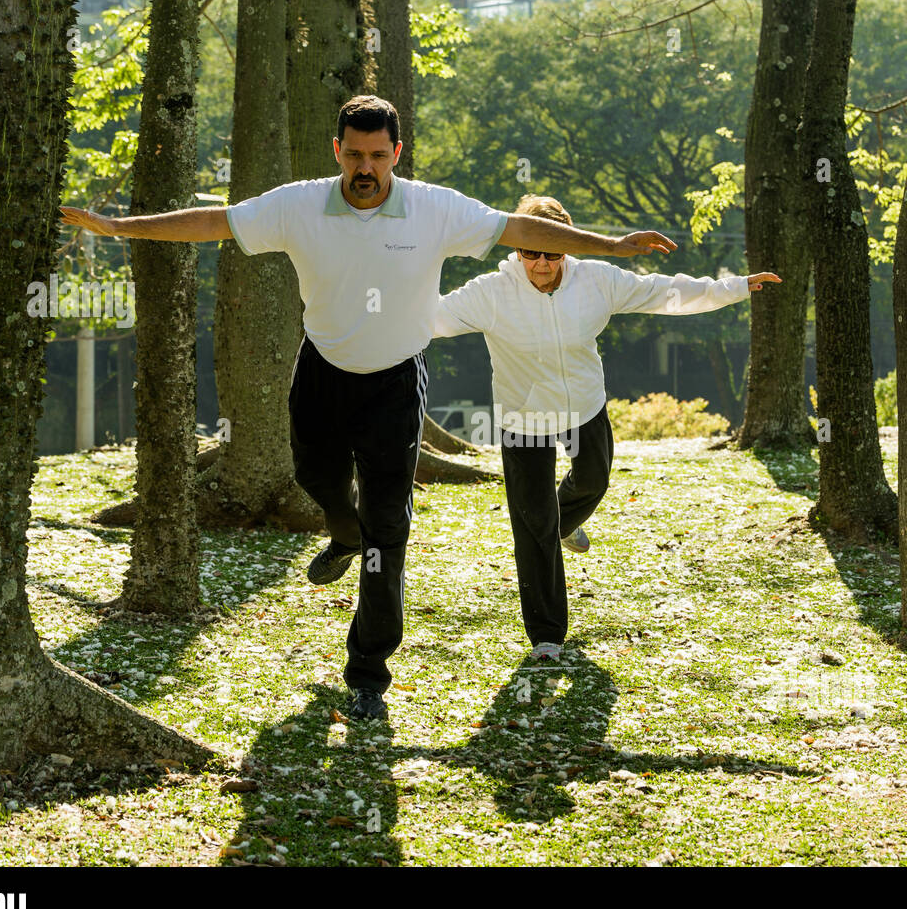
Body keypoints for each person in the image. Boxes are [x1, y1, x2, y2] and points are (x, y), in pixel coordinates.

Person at [59, 97, 677, 720]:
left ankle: (367, 674)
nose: (366, 167)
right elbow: (214, 221)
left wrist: (612, 245)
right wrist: (120, 229)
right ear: (337, 152)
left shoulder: (433, 207)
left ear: (395, 155)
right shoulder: (298, 204)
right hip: (323, 370)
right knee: (314, 477)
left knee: (390, 528)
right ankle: (341, 528)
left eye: (378, 155)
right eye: (354, 154)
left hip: (395, 383)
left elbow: (522, 231)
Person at [431, 194, 780, 661]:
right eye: (529, 252)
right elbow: (427, 319)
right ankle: (547, 635)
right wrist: (362, 315)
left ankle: (563, 522)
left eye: (551, 253)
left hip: (583, 407)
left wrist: (734, 287)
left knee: (592, 482)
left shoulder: (596, 280)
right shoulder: (490, 292)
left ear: (568, 248)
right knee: (533, 526)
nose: (539, 264)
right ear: (515, 249)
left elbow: (665, 292)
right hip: (523, 417)